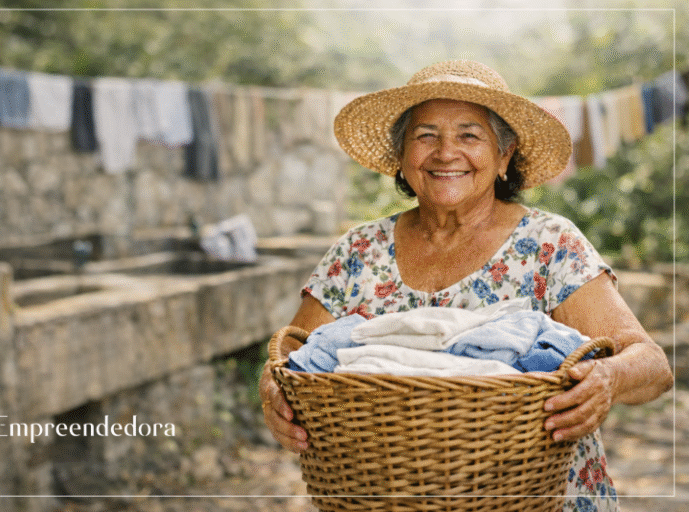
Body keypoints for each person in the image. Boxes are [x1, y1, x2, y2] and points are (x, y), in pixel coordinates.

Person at [258, 60, 673, 510]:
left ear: (505, 155)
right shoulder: (358, 252)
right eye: (426, 135)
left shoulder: (549, 245)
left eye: (469, 135)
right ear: (402, 156)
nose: (445, 152)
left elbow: (652, 365)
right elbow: (291, 359)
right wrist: (273, 394)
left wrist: (608, 380)